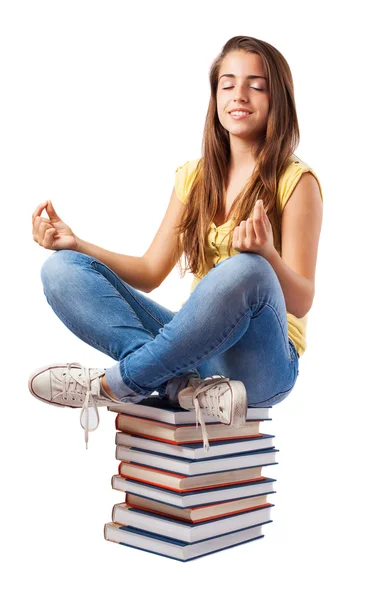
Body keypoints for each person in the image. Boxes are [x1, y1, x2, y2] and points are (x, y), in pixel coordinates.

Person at [28, 35, 323, 450]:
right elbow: (150, 273)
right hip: (196, 350)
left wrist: (267, 256)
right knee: (60, 269)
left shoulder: (297, 182)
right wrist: (76, 244)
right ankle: (178, 384)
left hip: (264, 364)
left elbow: (302, 301)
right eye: (228, 84)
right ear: (214, 96)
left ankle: (116, 384)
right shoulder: (195, 176)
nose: (239, 95)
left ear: (279, 100)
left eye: (256, 85)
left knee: (246, 270)